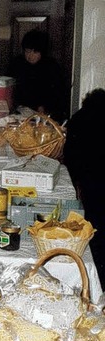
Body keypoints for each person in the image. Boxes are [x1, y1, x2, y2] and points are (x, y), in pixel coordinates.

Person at [63, 87, 105, 282]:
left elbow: (70, 154)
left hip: (89, 179)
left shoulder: (79, 119)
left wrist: (76, 181)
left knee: (94, 224)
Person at [7, 29, 68, 122]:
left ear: (42, 52)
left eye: (35, 52)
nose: (30, 56)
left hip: (46, 113)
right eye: (27, 51)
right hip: (21, 112)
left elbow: (58, 93)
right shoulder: (17, 64)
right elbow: (12, 90)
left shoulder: (52, 66)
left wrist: (44, 106)